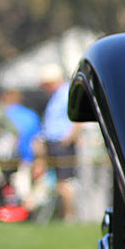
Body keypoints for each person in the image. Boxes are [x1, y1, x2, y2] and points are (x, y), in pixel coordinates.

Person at [36, 64, 80, 220]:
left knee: (65, 181)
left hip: (62, 144)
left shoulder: (66, 93)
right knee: (57, 182)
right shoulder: (54, 97)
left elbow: (77, 119)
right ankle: (62, 214)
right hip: (53, 143)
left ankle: (70, 215)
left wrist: (68, 138)